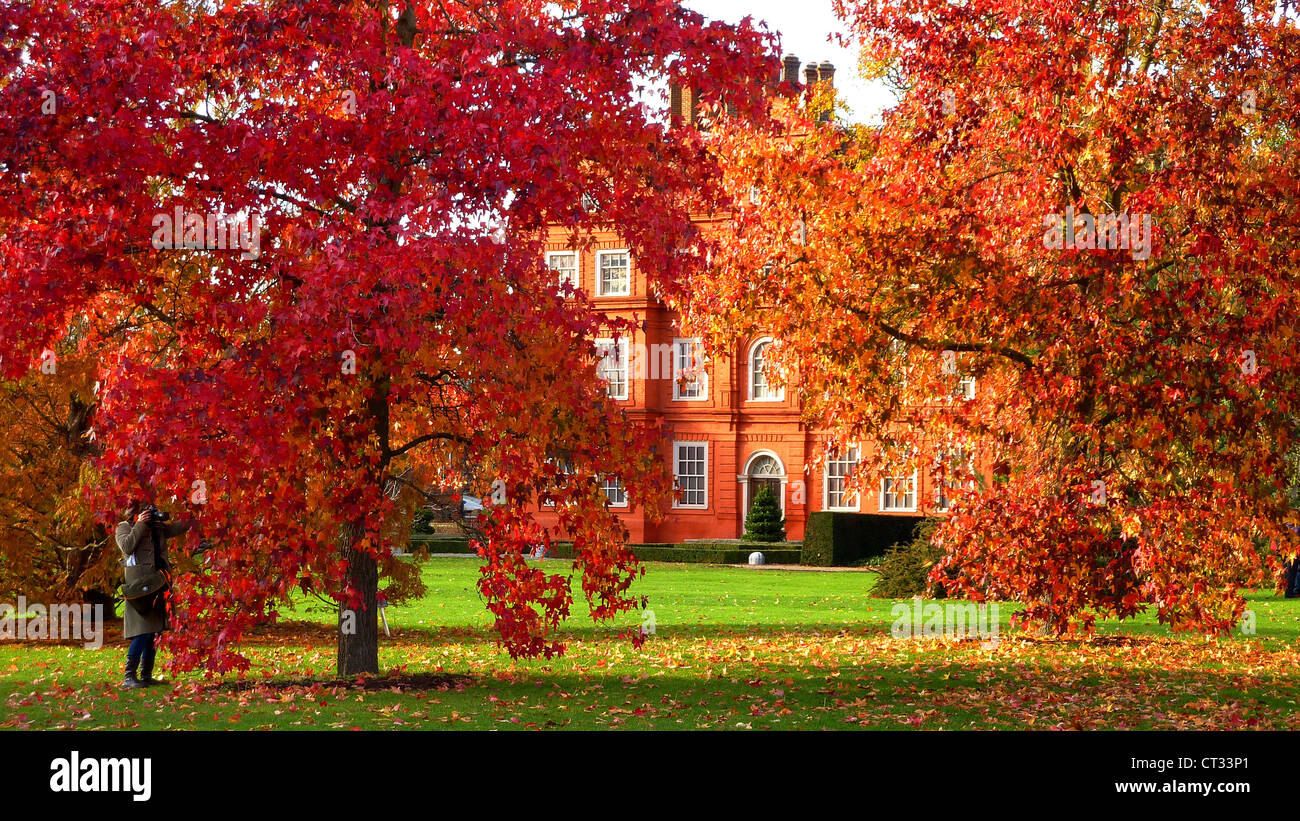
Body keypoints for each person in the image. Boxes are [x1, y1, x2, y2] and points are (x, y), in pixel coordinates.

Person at [115, 499, 192, 689]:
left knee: (154, 631)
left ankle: (146, 675)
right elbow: (127, 546)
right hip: (139, 588)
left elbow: (178, 528)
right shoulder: (123, 527)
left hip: (158, 584)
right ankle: (129, 676)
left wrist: (193, 509)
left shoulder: (157, 529)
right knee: (141, 632)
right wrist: (140, 524)